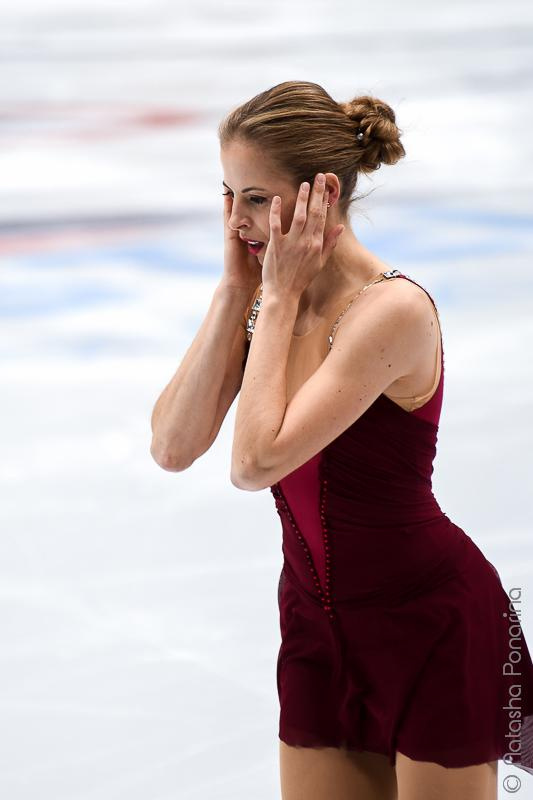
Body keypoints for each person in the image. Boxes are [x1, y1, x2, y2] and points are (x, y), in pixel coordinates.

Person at [150, 81, 533, 799]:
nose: (238, 221)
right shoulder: (262, 298)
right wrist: (237, 293)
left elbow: (256, 461)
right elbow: (173, 447)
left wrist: (281, 295)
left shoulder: (390, 311)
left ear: (322, 192)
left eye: (258, 198)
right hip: (314, 621)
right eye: (228, 196)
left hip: (425, 622)